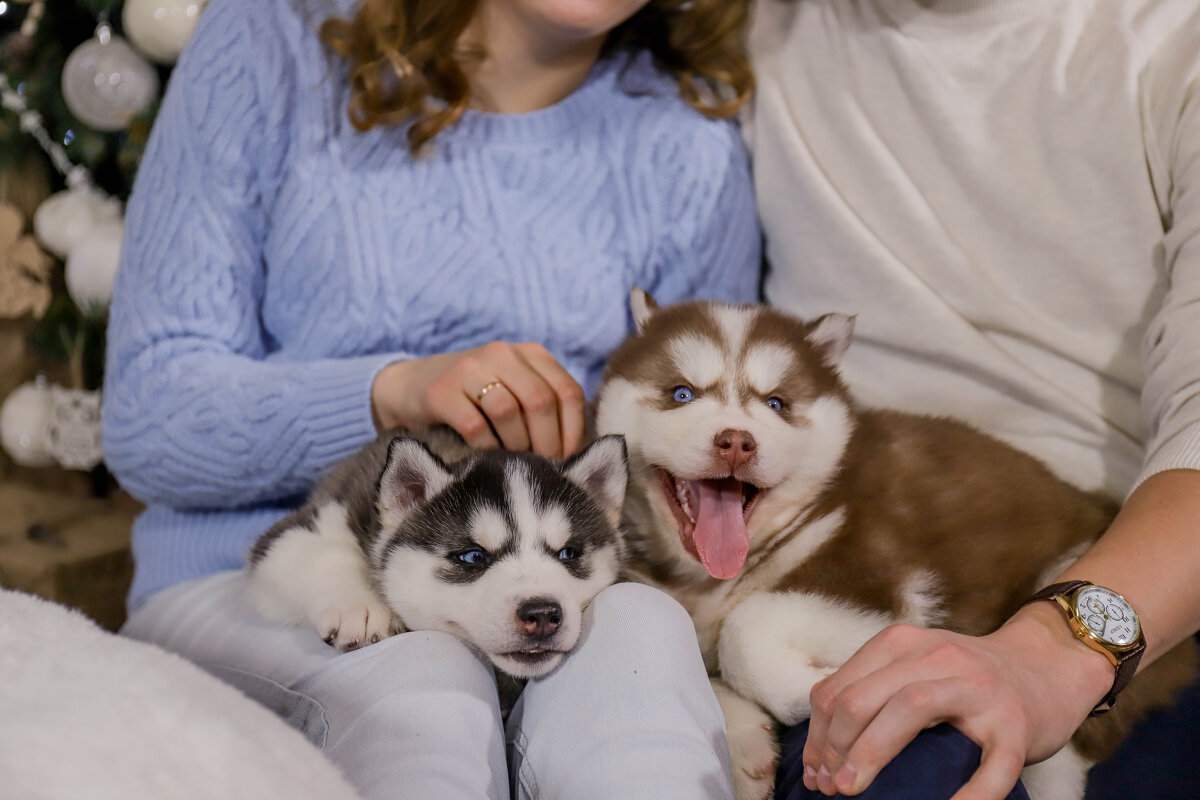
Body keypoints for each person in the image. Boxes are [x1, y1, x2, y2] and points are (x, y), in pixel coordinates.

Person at [101, 0, 762, 797]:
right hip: (273, 579)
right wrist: (392, 393)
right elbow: (146, 421)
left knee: (644, 642)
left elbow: (708, 474)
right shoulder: (274, 35)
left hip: (558, 575)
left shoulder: (688, 139)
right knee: (423, 687)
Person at [743, 0, 1200, 798]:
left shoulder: (1168, 42)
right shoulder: (746, 27)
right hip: (838, 558)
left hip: (1107, 569)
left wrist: (1052, 652)